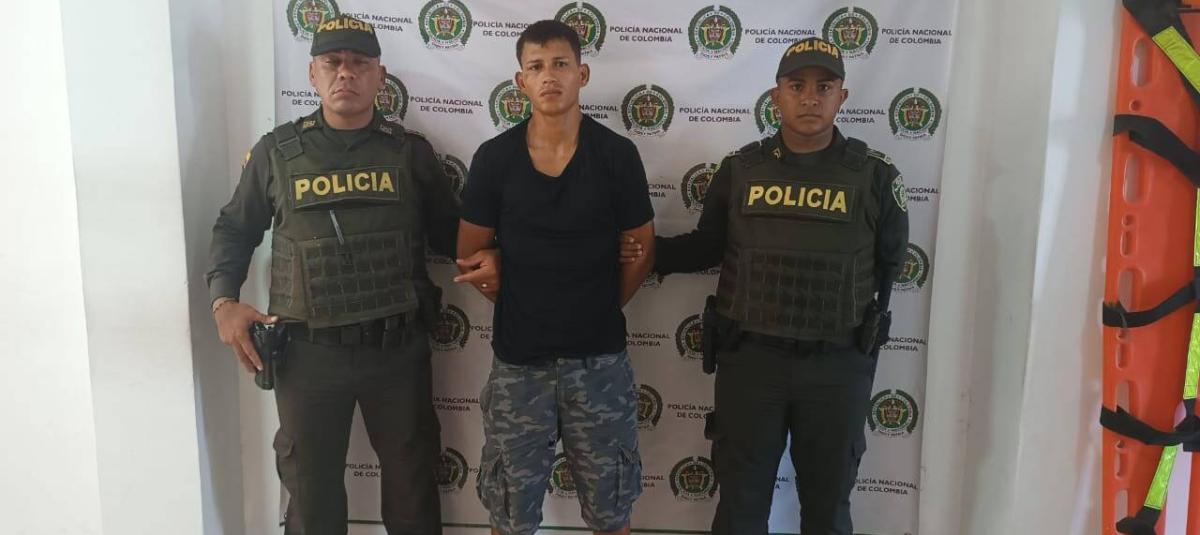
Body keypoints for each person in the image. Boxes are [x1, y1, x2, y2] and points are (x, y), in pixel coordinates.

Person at [206, 15, 497, 535]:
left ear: (379, 76)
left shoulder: (409, 153)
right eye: (332, 62)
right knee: (311, 496)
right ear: (312, 74)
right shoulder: (277, 152)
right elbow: (234, 229)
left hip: (396, 351)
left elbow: (452, 238)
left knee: (412, 492)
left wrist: (495, 254)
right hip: (307, 353)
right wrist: (223, 301)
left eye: (359, 63)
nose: (346, 73)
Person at [639, 37, 909, 535]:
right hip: (752, 364)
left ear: (842, 96)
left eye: (824, 87)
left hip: (836, 366)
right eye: (797, 85)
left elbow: (889, 265)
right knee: (740, 510)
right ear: (776, 96)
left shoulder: (874, 176)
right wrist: (638, 251)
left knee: (828, 511)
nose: (810, 98)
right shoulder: (741, 170)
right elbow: (706, 248)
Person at [455, 20, 656, 535]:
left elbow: (641, 250)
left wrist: (595, 304)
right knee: (510, 514)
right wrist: (514, 284)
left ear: (581, 74)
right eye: (537, 66)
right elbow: (470, 255)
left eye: (561, 64)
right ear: (520, 81)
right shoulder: (495, 158)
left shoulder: (616, 155)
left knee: (612, 512)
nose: (550, 76)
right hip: (520, 366)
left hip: (600, 364)